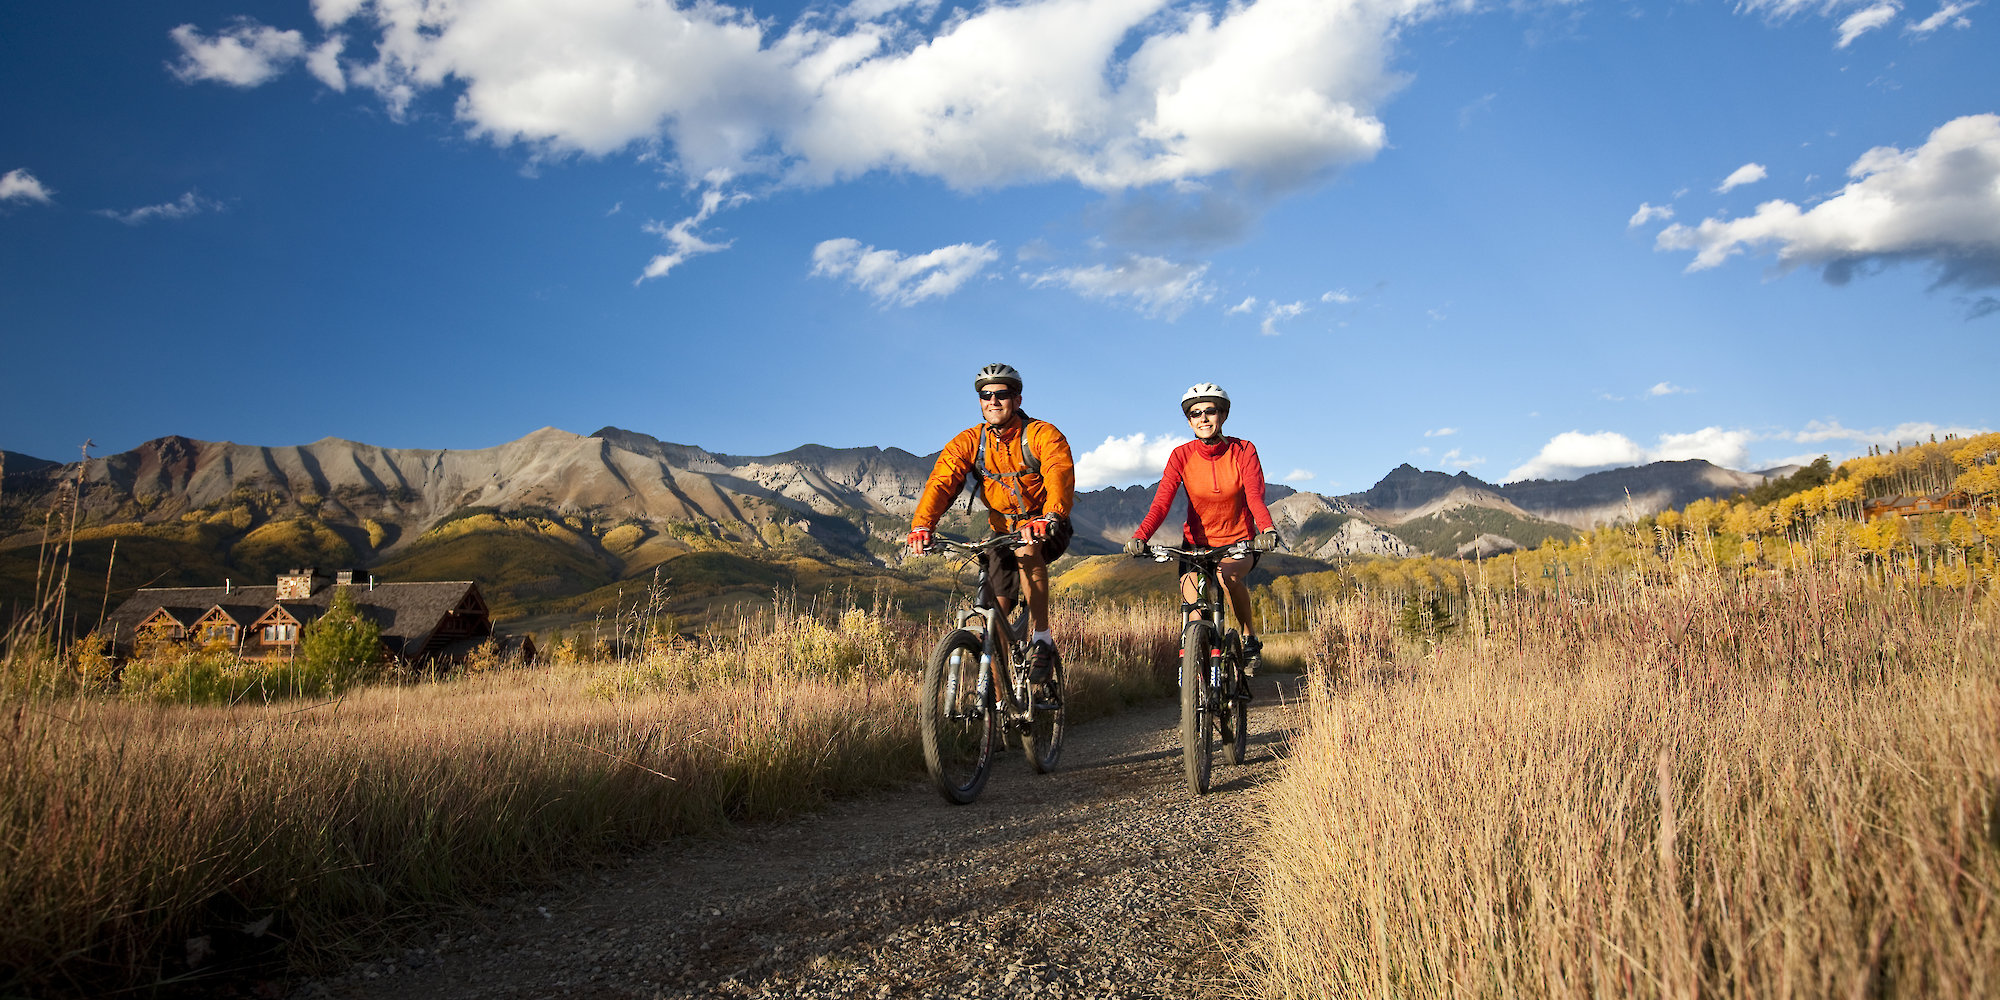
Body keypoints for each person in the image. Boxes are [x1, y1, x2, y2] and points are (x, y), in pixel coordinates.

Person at [909, 363, 1076, 682]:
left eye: (1002, 394)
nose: (993, 401)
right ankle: (998, 708)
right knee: (994, 615)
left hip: (1048, 525)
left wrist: (1050, 515)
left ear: (1018, 399)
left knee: (1028, 550)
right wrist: (923, 525)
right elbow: (942, 482)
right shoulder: (970, 441)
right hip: (1002, 532)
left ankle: (1042, 638)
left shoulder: (1042, 434)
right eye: (985, 395)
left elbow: (1058, 471)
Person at [1124, 382, 1280, 674]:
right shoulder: (1181, 455)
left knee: (1226, 577)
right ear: (1189, 420)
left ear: (1223, 415)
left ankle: (1249, 639)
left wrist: (1267, 530)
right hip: (1195, 547)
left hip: (1239, 542)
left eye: (1210, 411)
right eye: (1196, 414)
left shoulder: (1243, 450)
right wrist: (1140, 536)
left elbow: (1255, 495)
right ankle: (1198, 680)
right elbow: (1161, 503)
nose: (1204, 418)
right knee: (1193, 608)